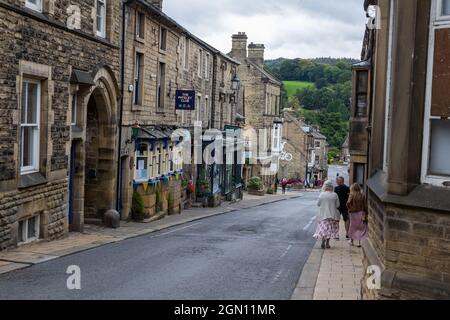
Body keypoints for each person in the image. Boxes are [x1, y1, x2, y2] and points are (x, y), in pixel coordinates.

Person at [313, 180, 341, 249]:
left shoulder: (322, 194)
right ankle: (327, 243)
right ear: (332, 187)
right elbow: (338, 205)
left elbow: (318, 204)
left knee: (324, 229)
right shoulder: (335, 195)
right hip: (332, 215)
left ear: (325, 186)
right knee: (329, 229)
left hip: (323, 215)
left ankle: (323, 241)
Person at [347, 183, 369, 247]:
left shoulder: (351, 195)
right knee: (360, 227)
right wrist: (366, 212)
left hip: (353, 213)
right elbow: (365, 205)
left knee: (353, 226)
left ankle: (351, 241)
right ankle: (359, 242)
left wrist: (350, 208)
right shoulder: (362, 195)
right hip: (361, 212)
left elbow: (348, 203)